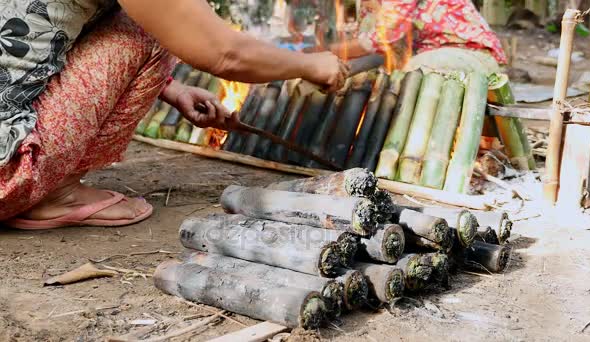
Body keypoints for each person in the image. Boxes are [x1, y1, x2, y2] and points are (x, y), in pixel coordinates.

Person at [0, 0, 348, 229]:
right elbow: (225, 54)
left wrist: (173, 89)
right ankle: (54, 193)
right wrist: (311, 65)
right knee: (148, 31)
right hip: (7, 175)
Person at [322, 0, 507, 74]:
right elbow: (374, 47)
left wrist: (320, 53)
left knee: (411, 76)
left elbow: (377, 40)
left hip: (467, 52)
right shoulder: (369, 5)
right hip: (436, 54)